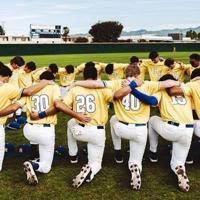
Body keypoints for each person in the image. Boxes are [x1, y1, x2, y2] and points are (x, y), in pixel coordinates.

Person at [74, 64, 180, 190]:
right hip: (140, 130)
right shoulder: (147, 84)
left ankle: (117, 151)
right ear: (138, 74)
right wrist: (178, 82)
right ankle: (135, 168)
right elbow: (167, 83)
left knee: (113, 119)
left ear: (125, 74)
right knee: (136, 160)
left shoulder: (118, 83)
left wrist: (76, 83)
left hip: (121, 128)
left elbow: (95, 84)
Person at [0, 71, 90, 185]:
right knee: (46, 166)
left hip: (28, 130)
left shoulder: (31, 88)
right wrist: (76, 115)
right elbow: (58, 105)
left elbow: (14, 107)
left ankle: (34, 156)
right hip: (45, 131)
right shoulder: (53, 87)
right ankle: (34, 165)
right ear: (51, 80)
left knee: (37, 140)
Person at [63, 64, 112, 188]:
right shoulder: (103, 89)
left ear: (84, 76)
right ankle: (90, 170)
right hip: (97, 133)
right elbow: (115, 99)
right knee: (96, 163)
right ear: (96, 76)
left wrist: (75, 114)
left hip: (79, 131)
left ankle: (73, 155)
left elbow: (63, 106)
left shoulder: (75, 89)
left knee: (70, 123)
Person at [0, 64, 53, 172]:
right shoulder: (7, 88)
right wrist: (45, 82)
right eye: (6, 79)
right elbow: (28, 92)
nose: (6, 81)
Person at [148, 74, 194, 192]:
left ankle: (153, 152)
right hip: (188, 130)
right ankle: (180, 170)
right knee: (177, 161)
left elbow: (152, 101)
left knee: (152, 119)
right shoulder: (185, 89)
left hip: (171, 129)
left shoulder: (162, 91)